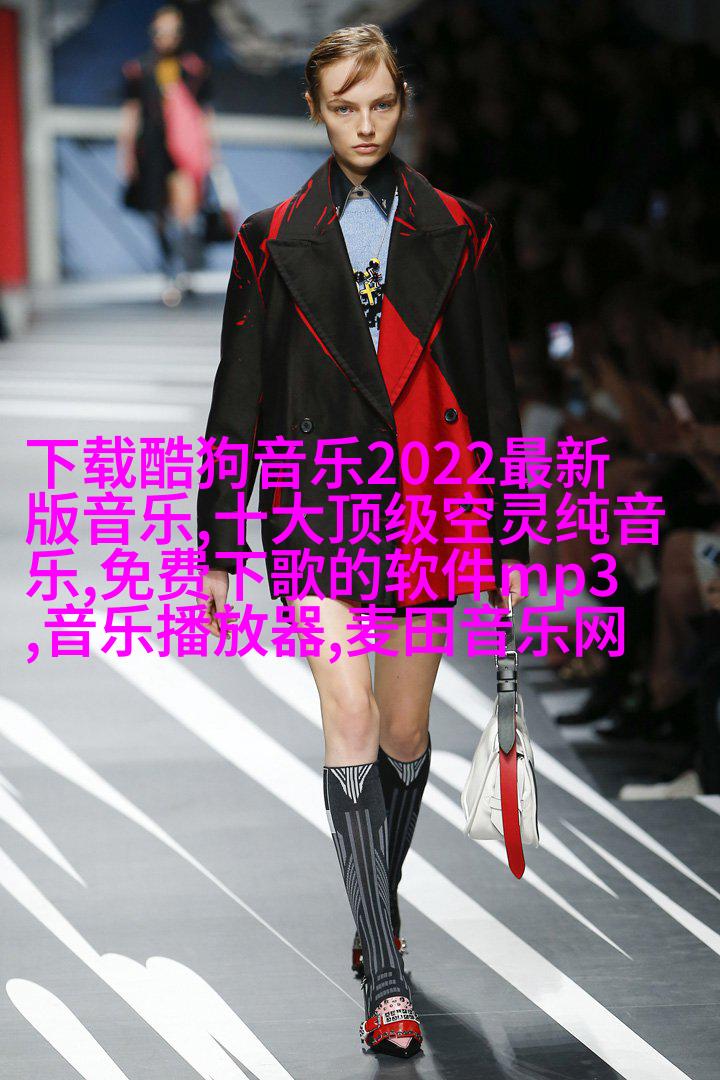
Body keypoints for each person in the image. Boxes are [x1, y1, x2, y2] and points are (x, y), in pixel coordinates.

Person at [197, 23, 528, 1058]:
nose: (366, 124)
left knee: (404, 732)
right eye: (345, 106)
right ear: (315, 110)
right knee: (347, 716)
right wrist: (220, 543)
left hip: (429, 505)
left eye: (381, 103)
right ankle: (385, 973)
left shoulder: (461, 230)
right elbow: (240, 397)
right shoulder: (270, 239)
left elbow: (494, 389)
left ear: (403, 101)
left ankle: (373, 900)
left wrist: (514, 539)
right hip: (317, 505)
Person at [118, 4, 215, 305]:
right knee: (158, 212)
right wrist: (126, 155)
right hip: (151, 147)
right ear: (153, 33)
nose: (167, 37)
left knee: (185, 208)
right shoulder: (139, 68)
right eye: (161, 31)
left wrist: (210, 152)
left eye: (173, 31)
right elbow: (131, 114)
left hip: (184, 149)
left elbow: (204, 115)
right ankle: (169, 270)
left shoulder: (194, 68)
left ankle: (184, 272)